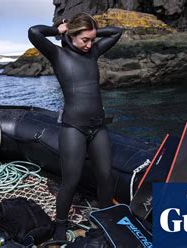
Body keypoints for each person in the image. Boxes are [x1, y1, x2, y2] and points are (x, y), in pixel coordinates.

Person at [28, 13, 123, 240]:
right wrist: (60, 30)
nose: (89, 45)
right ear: (71, 35)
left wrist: (91, 31)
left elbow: (117, 31)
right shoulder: (57, 54)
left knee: (105, 176)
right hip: (73, 129)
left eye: (92, 40)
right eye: (85, 40)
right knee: (71, 179)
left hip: (98, 127)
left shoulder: (93, 53)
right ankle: (60, 226)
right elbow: (34, 32)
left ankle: (105, 219)